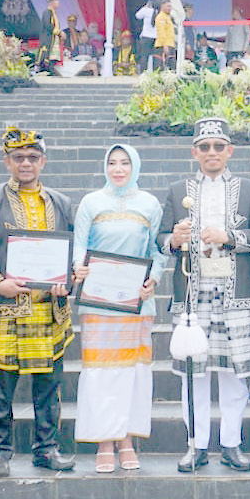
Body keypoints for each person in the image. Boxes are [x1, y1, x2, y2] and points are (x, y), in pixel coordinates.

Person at [159, 118, 250, 472]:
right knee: (194, 374)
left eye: (218, 146)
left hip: (235, 293)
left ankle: (232, 444)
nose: (211, 153)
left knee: (235, 375)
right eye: (204, 147)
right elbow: (161, 240)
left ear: (229, 151)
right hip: (193, 293)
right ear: (195, 152)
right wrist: (174, 239)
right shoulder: (177, 191)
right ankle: (196, 445)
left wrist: (229, 237)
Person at [0, 126, 76, 477]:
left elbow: (69, 253)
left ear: (42, 161)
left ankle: (47, 449)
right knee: (2, 387)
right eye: (18, 158)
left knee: (48, 387)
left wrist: (66, 282)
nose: (25, 163)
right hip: (8, 310)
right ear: (7, 162)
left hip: (49, 311)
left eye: (32, 157)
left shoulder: (60, 202)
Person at [71, 144, 164, 472]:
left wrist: (153, 277)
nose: (119, 168)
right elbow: (80, 244)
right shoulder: (91, 202)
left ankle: (125, 439)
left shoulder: (149, 204)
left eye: (125, 162)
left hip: (137, 302)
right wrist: (78, 267)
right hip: (99, 303)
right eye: (112, 162)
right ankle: (104, 442)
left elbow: (157, 249)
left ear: (135, 166)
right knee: (100, 372)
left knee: (131, 373)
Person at [38, 0, 63, 74]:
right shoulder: (47, 12)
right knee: (47, 55)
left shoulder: (53, 13)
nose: (58, 3)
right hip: (48, 38)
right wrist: (59, 32)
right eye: (57, 1)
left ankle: (51, 70)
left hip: (53, 38)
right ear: (52, 2)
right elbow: (48, 24)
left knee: (53, 56)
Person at [136, 0, 159, 71]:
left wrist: (145, 6)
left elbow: (137, 16)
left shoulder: (145, 10)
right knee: (156, 56)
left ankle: (143, 72)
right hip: (156, 36)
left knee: (144, 56)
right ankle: (155, 71)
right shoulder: (159, 13)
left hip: (146, 36)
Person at [155, 1, 176, 72]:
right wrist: (164, 45)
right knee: (161, 67)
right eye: (168, 6)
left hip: (170, 44)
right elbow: (161, 32)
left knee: (171, 67)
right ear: (162, 6)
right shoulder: (161, 17)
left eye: (170, 6)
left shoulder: (168, 17)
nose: (170, 8)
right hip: (163, 45)